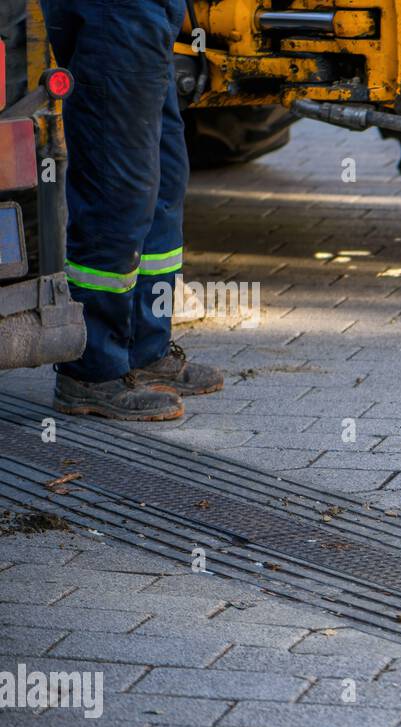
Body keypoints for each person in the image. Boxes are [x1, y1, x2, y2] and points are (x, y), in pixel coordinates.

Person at [42, 0, 221, 421]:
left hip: (148, 13)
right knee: (117, 186)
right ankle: (91, 370)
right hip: (115, 12)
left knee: (163, 179)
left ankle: (144, 348)